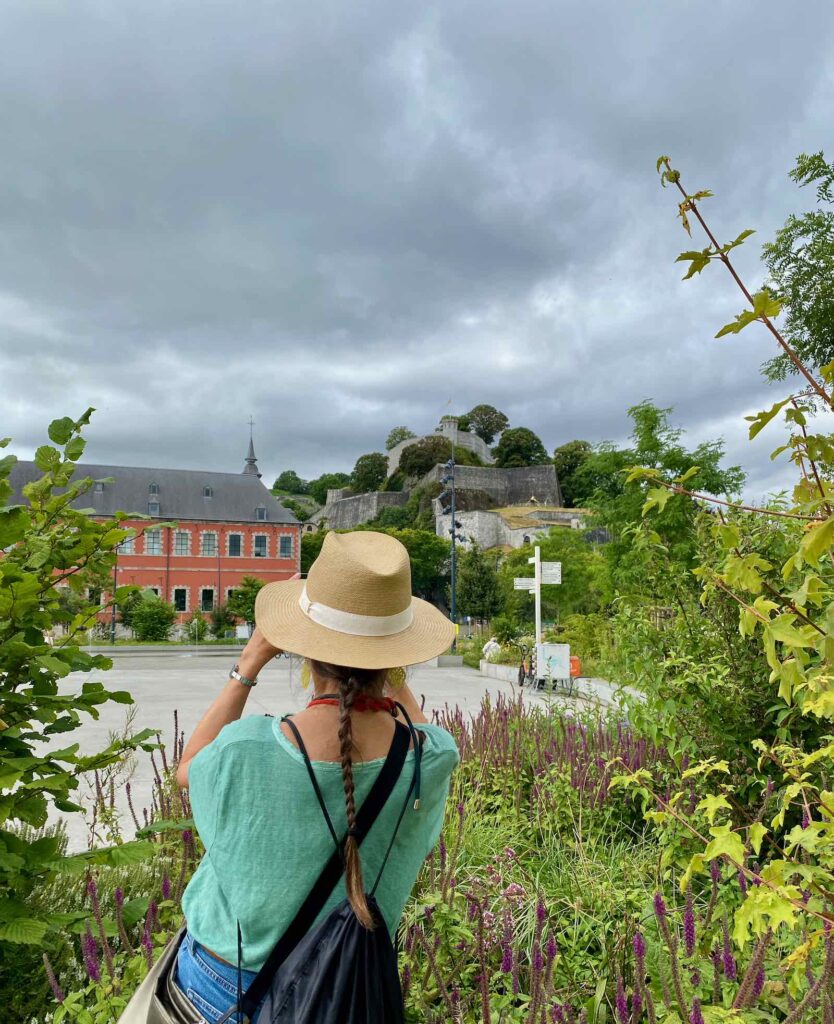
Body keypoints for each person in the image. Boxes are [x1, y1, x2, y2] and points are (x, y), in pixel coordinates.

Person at [173, 530, 459, 1023]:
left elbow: (186, 769)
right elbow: (424, 729)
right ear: (395, 656)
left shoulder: (247, 747)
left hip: (224, 985)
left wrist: (249, 664)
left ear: (303, 649)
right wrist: (386, 660)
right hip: (343, 993)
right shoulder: (429, 759)